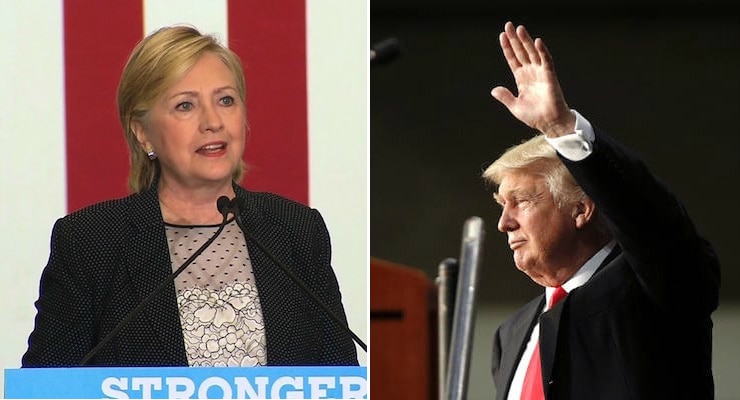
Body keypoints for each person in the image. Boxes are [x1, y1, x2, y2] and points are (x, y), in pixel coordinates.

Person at [22, 25, 358, 367]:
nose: (213, 122)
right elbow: (44, 385)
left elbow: (340, 377)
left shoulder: (296, 230)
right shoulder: (91, 242)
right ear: (143, 133)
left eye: (226, 100)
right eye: (185, 106)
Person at [484, 22, 720, 399]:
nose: (503, 223)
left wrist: (562, 129)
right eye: (502, 205)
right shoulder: (509, 335)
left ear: (581, 208)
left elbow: (653, 221)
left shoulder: (653, 287)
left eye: (522, 201)